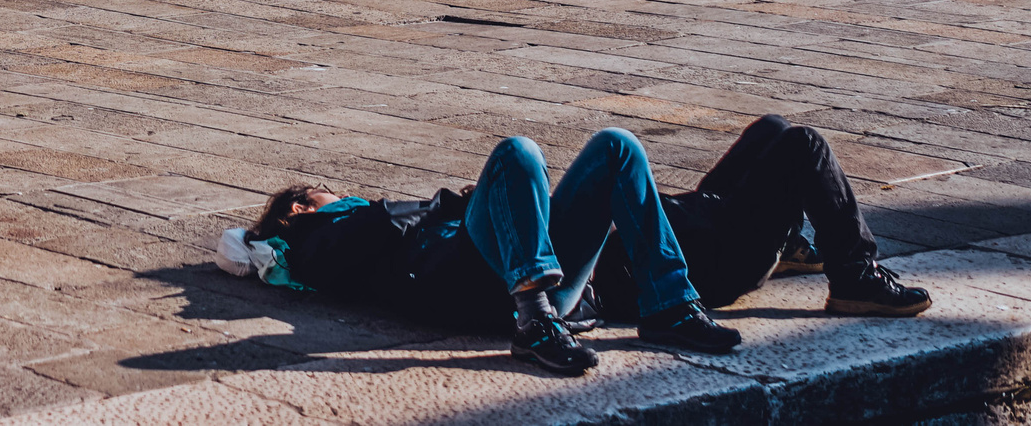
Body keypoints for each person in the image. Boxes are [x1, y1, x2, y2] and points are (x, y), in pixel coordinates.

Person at [244, 127, 738, 377]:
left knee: (617, 145)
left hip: (523, 276)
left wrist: (477, 204)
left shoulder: (364, 217)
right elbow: (340, 260)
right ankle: (534, 322)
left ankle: (669, 303)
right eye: (319, 190)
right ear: (301, 208)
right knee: (516, 151)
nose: (331, 189)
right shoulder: (322, 232)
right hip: (459, 281)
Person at [593, 114, 931, 318]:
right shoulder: (614, 287)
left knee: (772, 127)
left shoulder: (596, 270)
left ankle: (788, 247)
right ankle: (855, 278)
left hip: (706, 226)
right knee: (805, 144)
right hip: (720, 258)